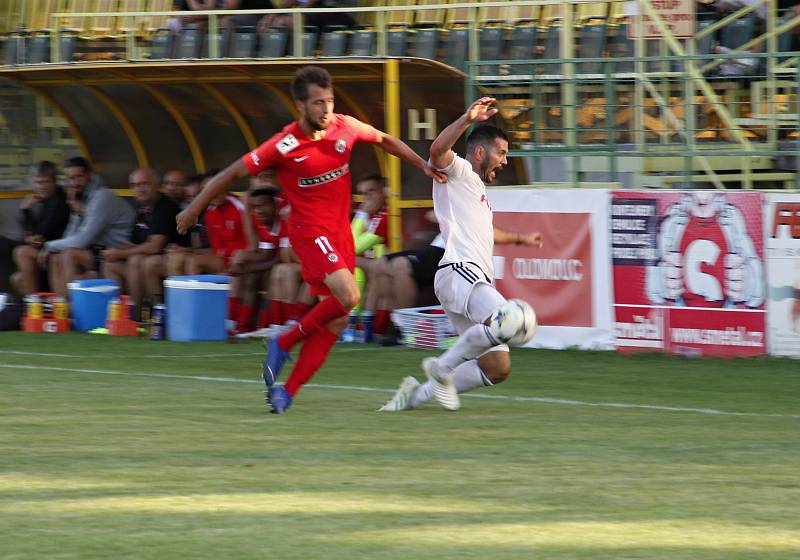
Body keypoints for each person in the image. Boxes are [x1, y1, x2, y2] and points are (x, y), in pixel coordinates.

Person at [177, 65, 445, 414]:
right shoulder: (284, 144)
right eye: (318, 103)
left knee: (337, 318)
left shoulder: (345, 127)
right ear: (300, 106)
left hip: (339, 235)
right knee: (350, 295)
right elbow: (234, 172)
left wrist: (422, 164)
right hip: (309, 234)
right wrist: (194, 209)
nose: (326, 109)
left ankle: (285, 393)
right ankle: (285, 340)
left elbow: (384, 140)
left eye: (329, 101)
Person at [380, 97, 542, 413]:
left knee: (497, 368)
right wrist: (467, 119)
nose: (505, 161)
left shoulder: (474, 190)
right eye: (502, 153)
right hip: (459, 270)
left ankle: (413, 396)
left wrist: (520, 239)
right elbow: (437, 152)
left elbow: (486, 232)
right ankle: (441, 368)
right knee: (511, 319)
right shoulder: (462, 171)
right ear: (480, 151)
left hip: (466, 279)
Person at [42, 157, 135, 297]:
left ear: (89, 175)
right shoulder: (82, 196)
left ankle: (74, 308)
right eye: (71, 178)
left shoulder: (102, 197)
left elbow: (81, 240)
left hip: (117, 251)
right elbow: (71, 236)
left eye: (79, 177)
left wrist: (48, 246)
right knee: (56, 257)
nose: (75, 183)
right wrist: (76, 212)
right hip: (98, 250)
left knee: (69, 254)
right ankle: (62, 308)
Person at [102, 168, 182, 315]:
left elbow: (155, 246)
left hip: (171, 259)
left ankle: (137, 314)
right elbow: (135, 243)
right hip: (149, 259)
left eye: (144, 184)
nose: (139, 189)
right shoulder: (143, 209)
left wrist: (121, 253)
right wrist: (115, 251)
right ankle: (117, 314)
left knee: (135, 260)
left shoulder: (165, 207)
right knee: (110, 263)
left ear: (157, 185)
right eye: (135, 185)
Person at [11, 161, 71, 296]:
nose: (42, 187)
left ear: (55, 182)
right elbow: (32, 235)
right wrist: (30, 237)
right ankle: (35, 304)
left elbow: (41, 232)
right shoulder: (45, 201)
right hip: (45, 249)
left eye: (46, 182)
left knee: (22, 252)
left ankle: (34, 304)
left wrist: (26, 210)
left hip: (57, 252)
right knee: (17, 279)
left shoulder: (59, 201)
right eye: (38, 182)